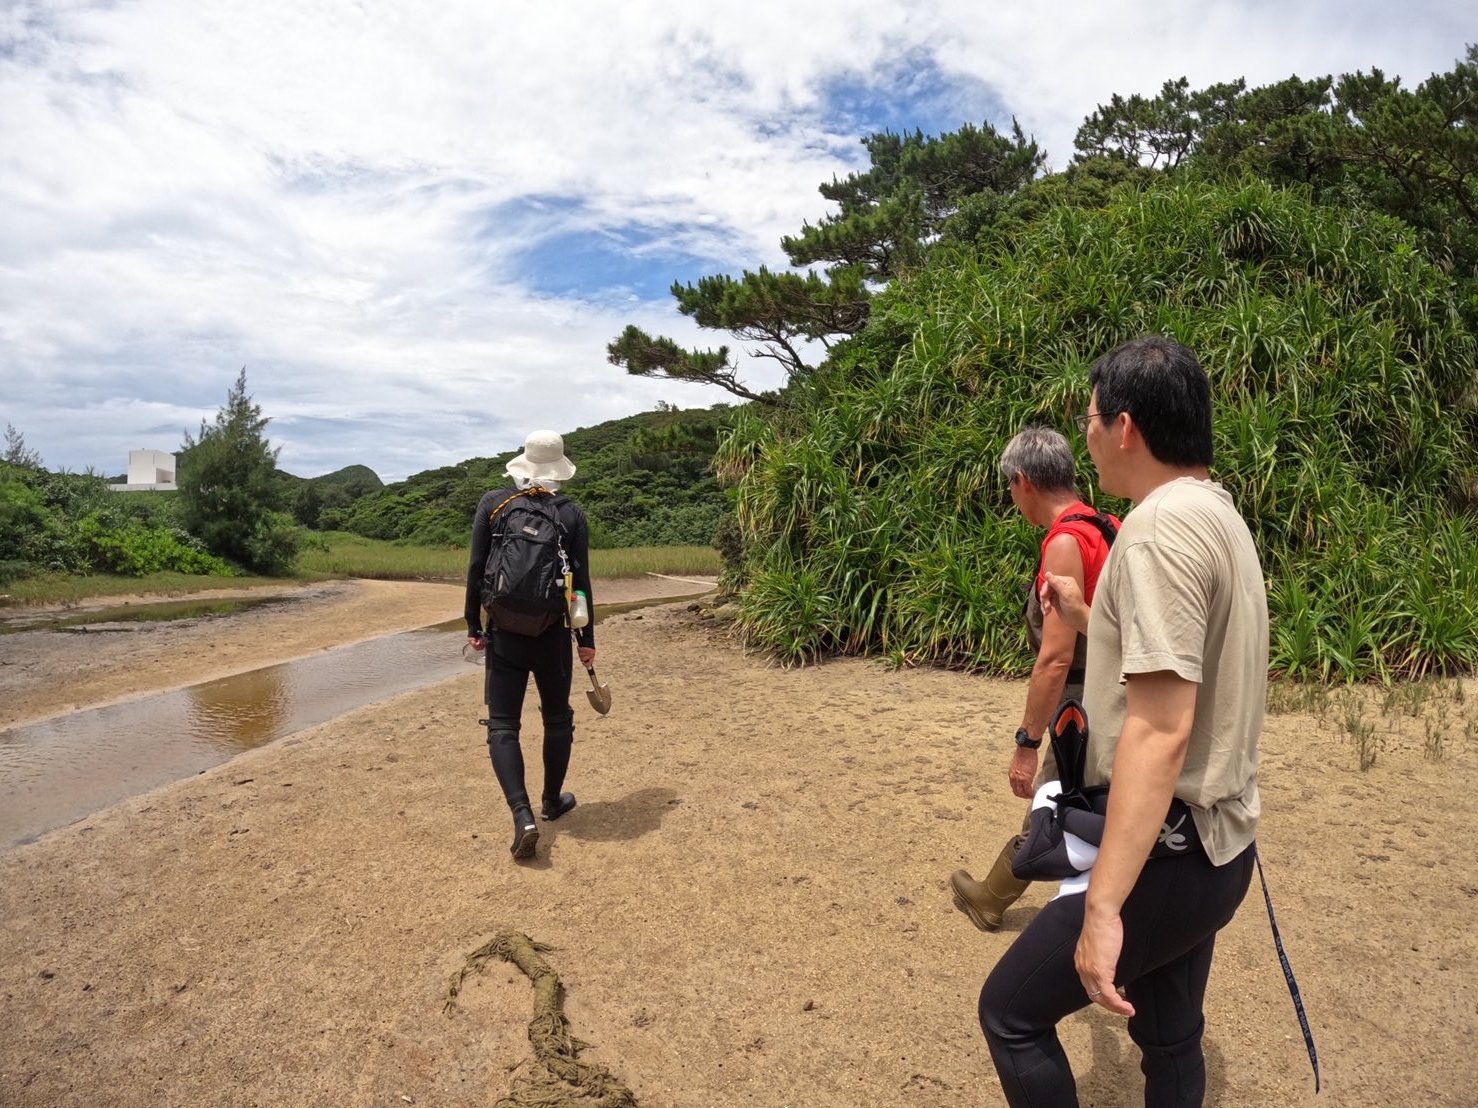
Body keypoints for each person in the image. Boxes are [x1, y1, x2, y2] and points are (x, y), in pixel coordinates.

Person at [978, 337, 1268, 1107]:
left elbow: (1160, 729)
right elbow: (1183, 651)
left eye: (1093, 418)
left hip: (1173, 851)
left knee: (1010, 1013)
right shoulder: (1215, 514)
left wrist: (1102, 905)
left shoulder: (1154, 532)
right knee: (1170, 1038)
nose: (1088, 436)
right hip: (1224, 844)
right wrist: (1085, 614)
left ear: (1127, 427)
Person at [951, 427, 1118, 931]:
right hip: (1119, 687)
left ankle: (991, 899)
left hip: (1084, 697)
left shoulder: (1066, 541)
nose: (1011, 496)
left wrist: (1026, 741)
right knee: (1100, 801)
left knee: (1052, 798)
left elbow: (1055, 658)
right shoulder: (1110, 524)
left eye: (1009, 486)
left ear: (1023, 481)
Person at [464, 430, 596, 861]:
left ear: (523, 464)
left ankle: (522, 816)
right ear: (559, 469)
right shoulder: (571, 514)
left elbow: (475, 570)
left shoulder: (494, 504)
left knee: (503, 725)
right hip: (553, 632)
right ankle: (552, 801)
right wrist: (586, 640)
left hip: (503, 631)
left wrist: (474, 625)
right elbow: (581, 585)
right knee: (558, 719)